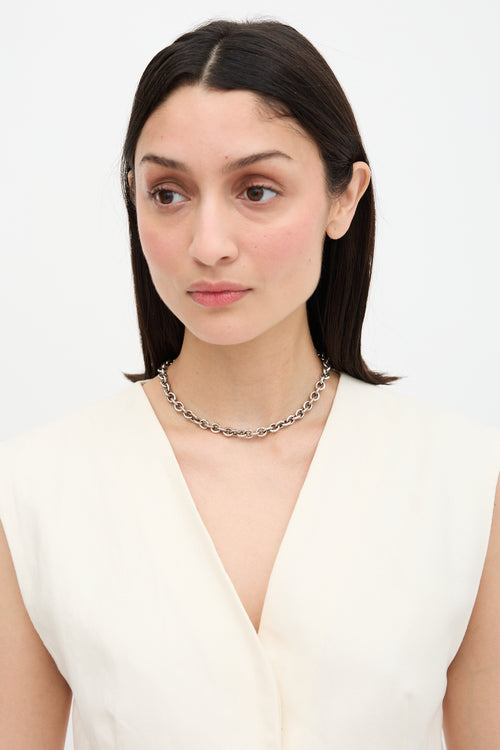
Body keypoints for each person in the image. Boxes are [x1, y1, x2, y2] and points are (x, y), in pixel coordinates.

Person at [1, 18, 499, 750]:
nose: (208, 245)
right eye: (168, 193)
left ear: (343, 198)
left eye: (257, 190)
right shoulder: (38, 491)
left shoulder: (464, 480)